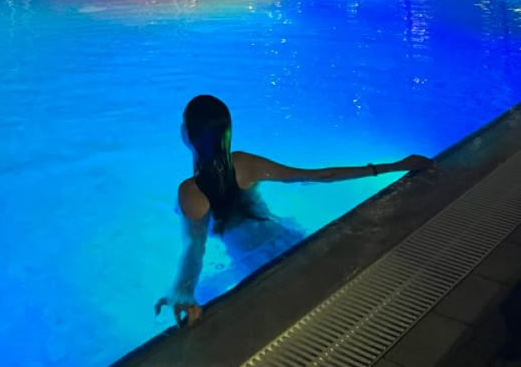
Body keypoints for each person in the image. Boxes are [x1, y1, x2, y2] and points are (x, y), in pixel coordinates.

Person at [155, 94, 433, 327]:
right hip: (290, 239)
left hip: (255, 262)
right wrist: (394, 165)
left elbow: (194, 247)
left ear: (187, 135)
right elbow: (319, 175)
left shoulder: (191, 192)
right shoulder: (245, 163)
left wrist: (183, 290)